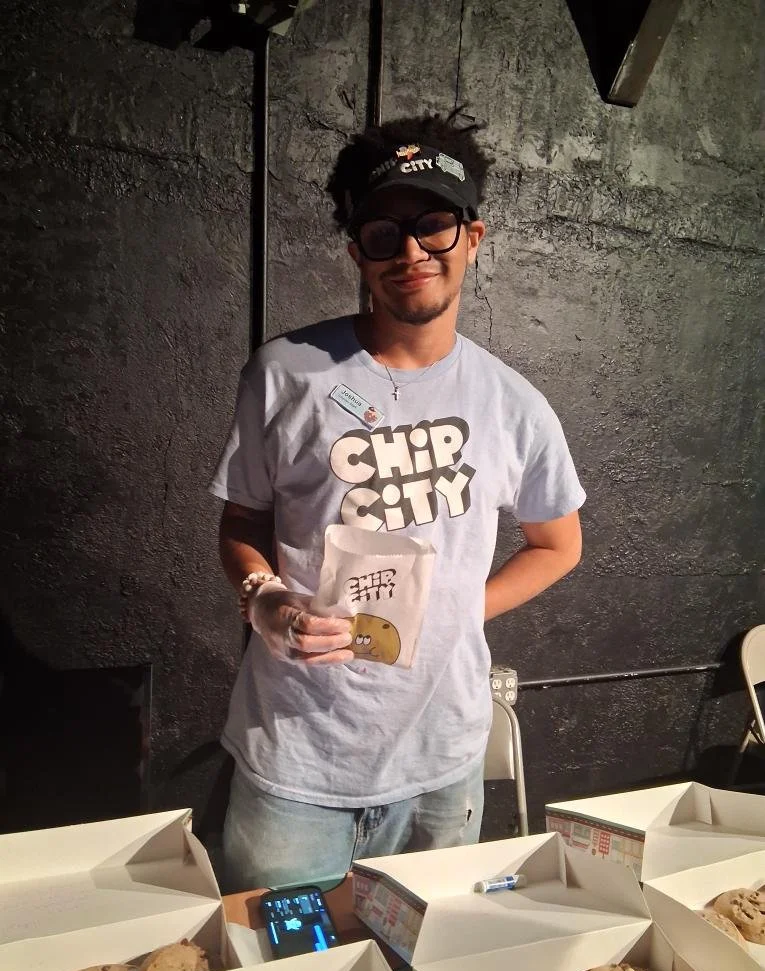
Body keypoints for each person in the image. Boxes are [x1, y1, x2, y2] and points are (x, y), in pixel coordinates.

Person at [209, 111, 585, 893]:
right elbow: (241, 523)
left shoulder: (513, 403)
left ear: (470, 240)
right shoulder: (285, 374)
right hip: (297, 760)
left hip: (442, 766)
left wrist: (458, 607)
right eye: (384, 235)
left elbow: (558, 543)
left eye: (434, 227)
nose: (410, 252)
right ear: (358, 255)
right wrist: (267, 600)